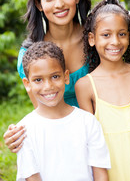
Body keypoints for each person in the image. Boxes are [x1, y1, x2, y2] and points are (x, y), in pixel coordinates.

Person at [3, 0, 91, 152]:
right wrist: (18, 135)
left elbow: (121, 76)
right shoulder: (30, 56)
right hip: (63, 138)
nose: (59, 4)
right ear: (39, 4)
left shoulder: (96, 39)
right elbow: (43, 113)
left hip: (104, 129)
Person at [75, 0, 130, 181]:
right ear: (92, 39)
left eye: (122, 34)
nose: (115, 41)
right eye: (106, 35)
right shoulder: (85, 87)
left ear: (129, 36)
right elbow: (90, 143)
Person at [16, 41, 111, 181]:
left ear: (66, 77)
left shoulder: (88, 121)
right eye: (38, 80)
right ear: (27, 84)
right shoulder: (24, 130)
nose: (48, 86)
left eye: (55, 76)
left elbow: (100, 173)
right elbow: (32, 177)